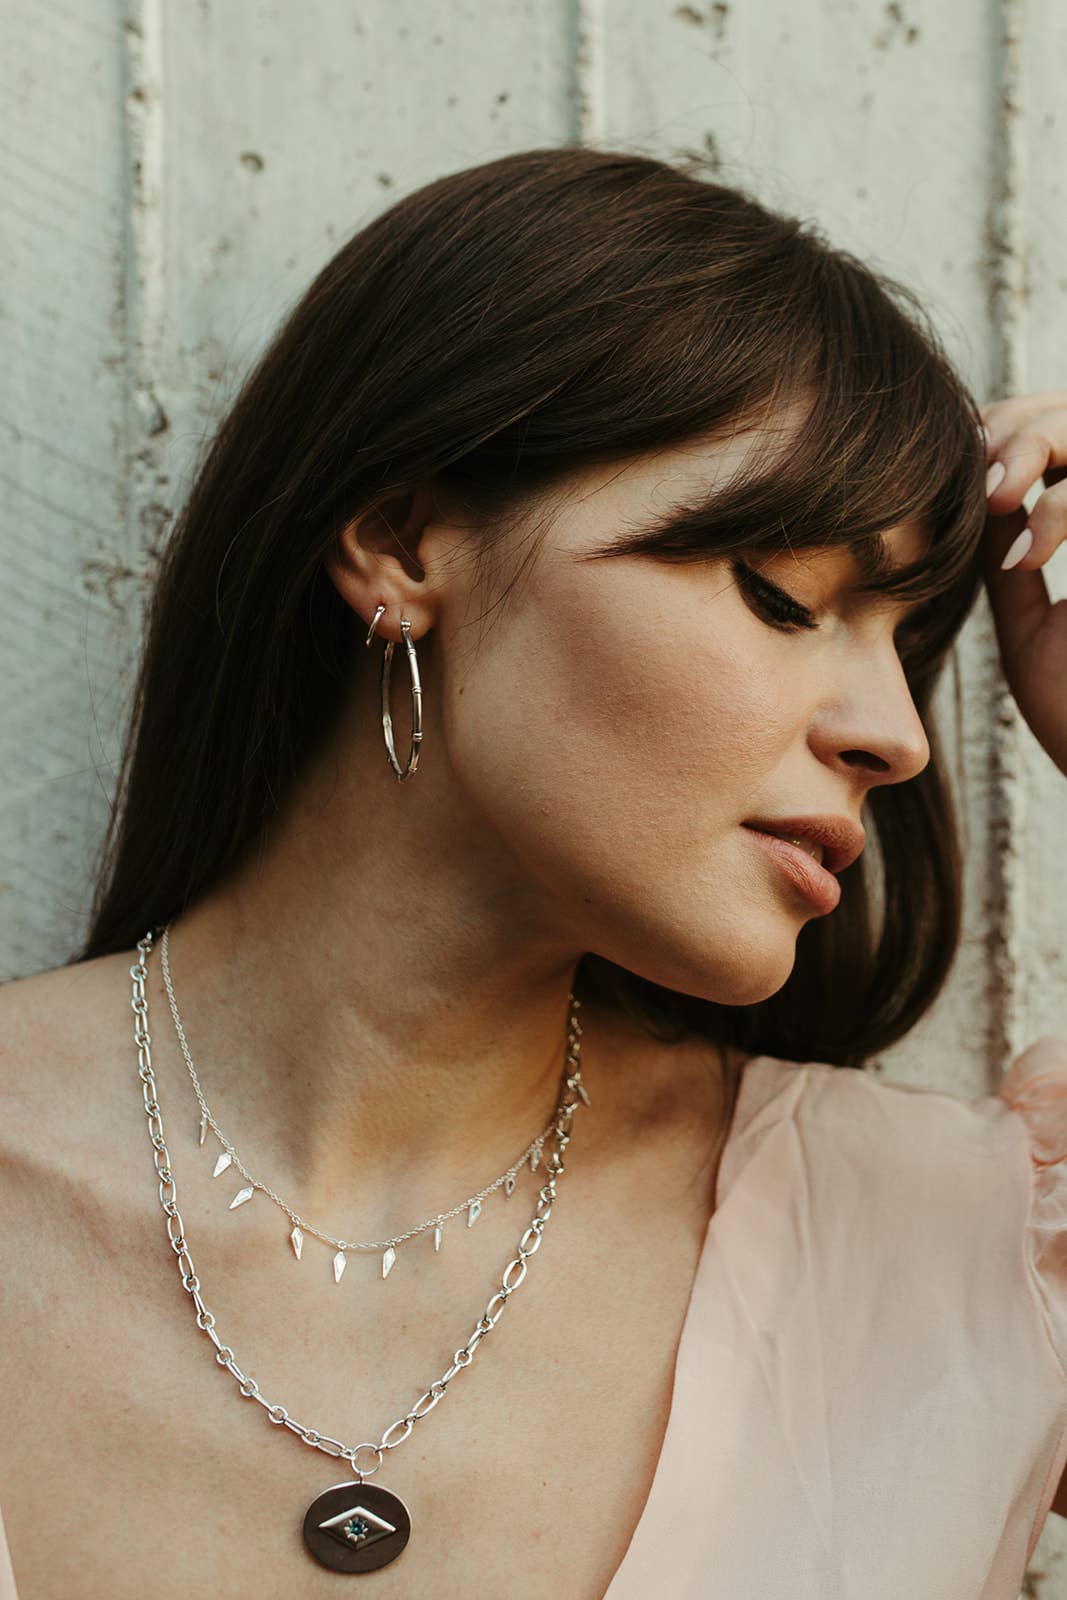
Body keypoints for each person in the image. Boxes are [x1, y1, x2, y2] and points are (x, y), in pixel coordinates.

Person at [1, 144, 1066, 1599]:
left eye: (904, 642)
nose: (896, 739)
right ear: (399, 541)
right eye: (781, 593)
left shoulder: (956, 1258)